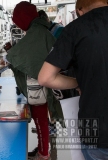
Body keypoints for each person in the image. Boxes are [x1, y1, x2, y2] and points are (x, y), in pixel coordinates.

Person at [38, 0, 108, 159]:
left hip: (95, 130)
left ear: (79, 10)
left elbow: (45, 77)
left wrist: (77, 82)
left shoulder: (76, 28)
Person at [6, 2, 63, 160]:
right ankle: (43, 148)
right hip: (46, 85)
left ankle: (43, 154)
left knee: (40, 120)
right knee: (42, 120)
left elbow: (24, 57)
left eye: (17, 19)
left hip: (39, 87)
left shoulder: (36, 32)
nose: (16, 23)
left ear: (24, 17)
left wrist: (11, 54)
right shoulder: (41, 30)